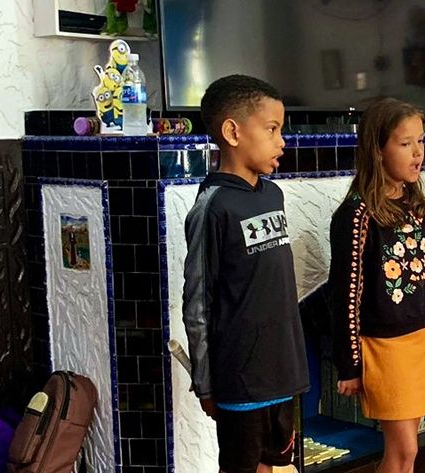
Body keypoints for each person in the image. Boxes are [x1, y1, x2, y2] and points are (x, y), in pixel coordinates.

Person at [182, 75, 310, 473]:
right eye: (272, 129)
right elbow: (198, 303)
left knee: (273, 465)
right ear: (232, 132)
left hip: (283, 368)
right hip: (240, 376)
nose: (281, 141)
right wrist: (205, 381)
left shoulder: (273, 194)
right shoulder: (213, 207)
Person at [329, 98, 425, 473]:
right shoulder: (357, 215)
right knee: (402, 453)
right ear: (377, 150)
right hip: (387, 349)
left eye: (420, 141)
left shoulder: (420, 205)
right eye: (405, 144)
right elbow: (345, 295)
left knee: (409, 451)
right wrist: (350, 365)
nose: (417, 153)